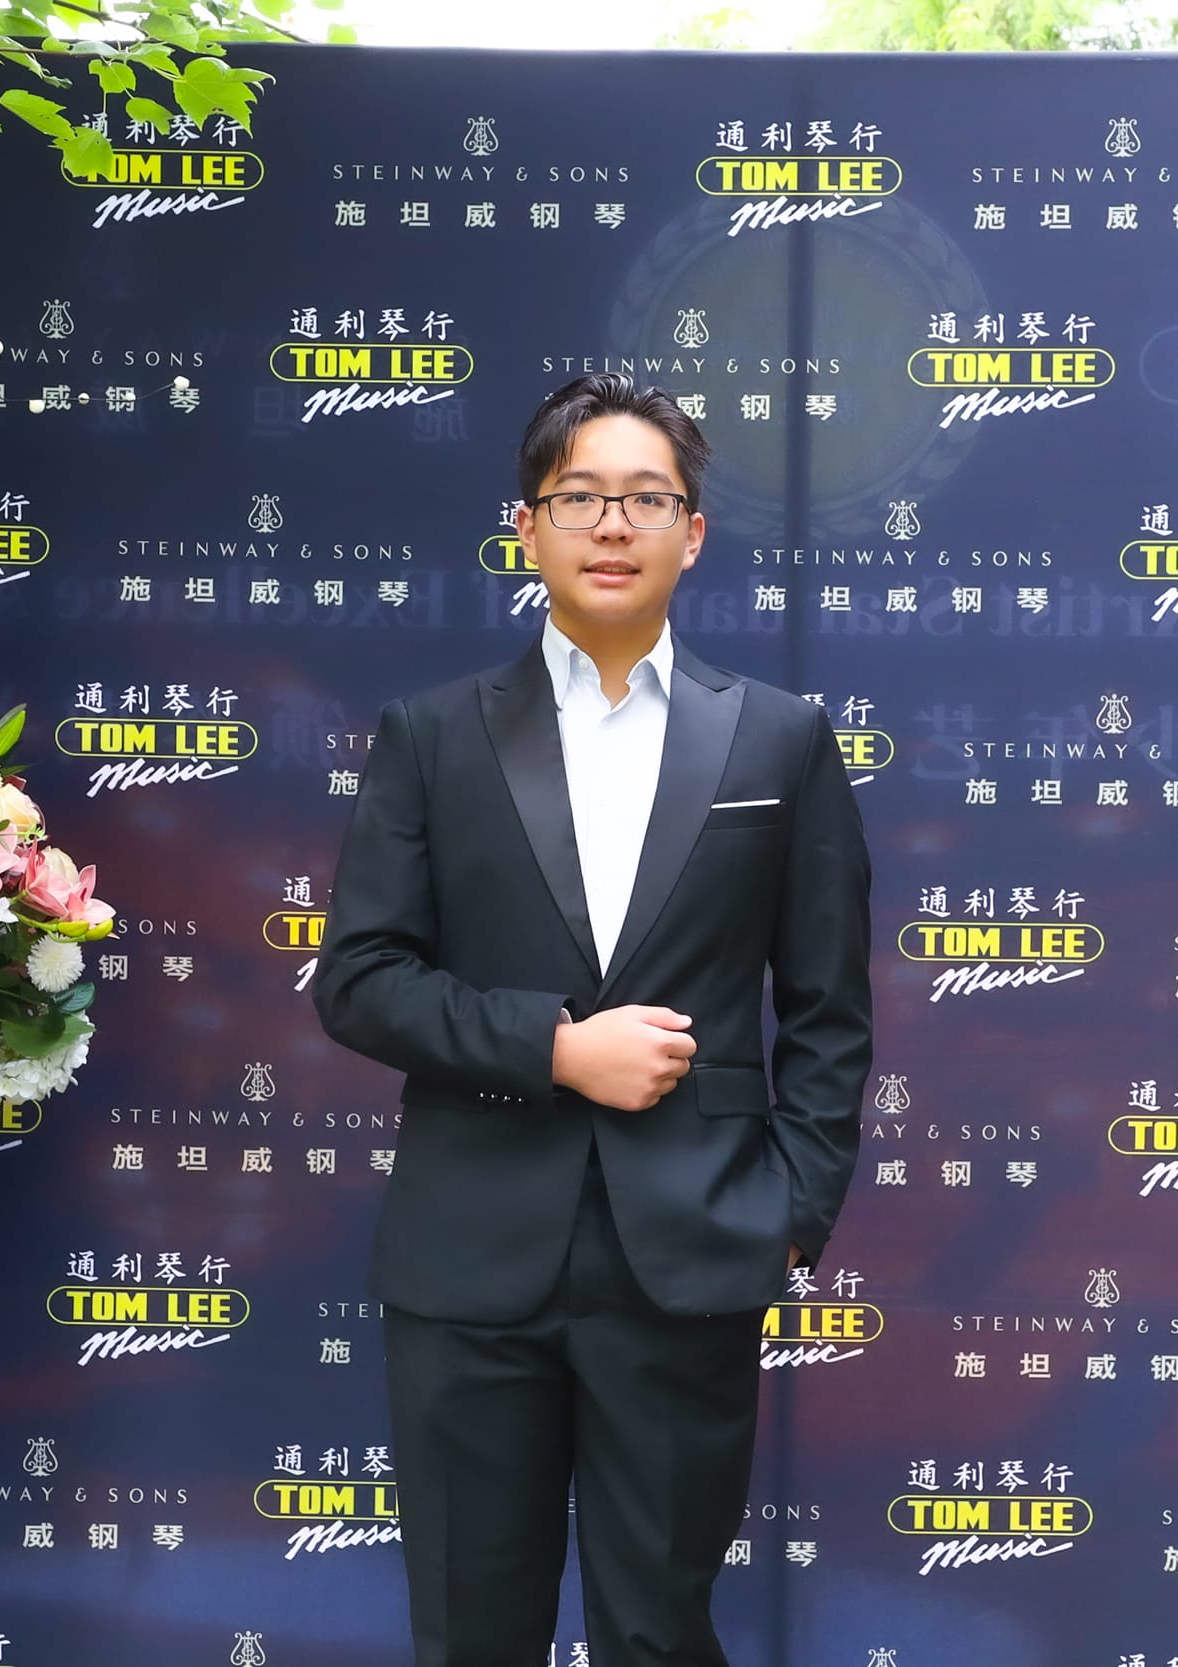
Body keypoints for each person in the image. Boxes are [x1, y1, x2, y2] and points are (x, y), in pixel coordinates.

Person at [311, 372, 874, 1667]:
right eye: (580, 497)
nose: (612, 525)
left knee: (657, 1634)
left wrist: (788, 1213)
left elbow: (829, 1009)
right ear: (528, 526)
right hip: (469, 1255)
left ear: (693, 532)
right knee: (471, 1636)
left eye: (645, 498)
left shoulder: (778, 741)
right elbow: (361, 978)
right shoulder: (432, 737)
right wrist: (556, 1049)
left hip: (690, 1252)